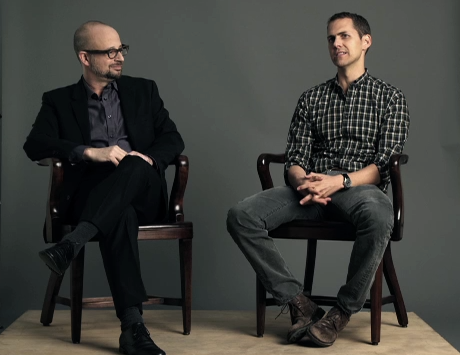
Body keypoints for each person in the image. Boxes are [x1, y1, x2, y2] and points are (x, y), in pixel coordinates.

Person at [227, 12, 409, 347]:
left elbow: (382, 166)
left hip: (358, 190)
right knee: (241, 216)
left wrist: (338, 181)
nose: (336, 43)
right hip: (309, 190)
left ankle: (340, 312)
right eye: (331, 38)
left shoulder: (390, 98)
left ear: (365, 42)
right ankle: (300, 303)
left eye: (344, 36)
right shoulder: (311, 98)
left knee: (379, 213)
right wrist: (303, 182)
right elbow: (295, 159)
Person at [24, 21, 184, 355]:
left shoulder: (144, 90)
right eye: (109, 51)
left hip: (144, 191)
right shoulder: (58, 100)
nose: (119, 57)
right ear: (85, 57)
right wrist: (89, 152)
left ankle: (73, 242)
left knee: (134, 166)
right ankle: (133, 329)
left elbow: (172, 138)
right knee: (118, 213)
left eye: (121, 49)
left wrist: (145, 159)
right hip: (92, 196)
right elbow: (35, 144)